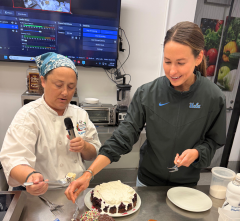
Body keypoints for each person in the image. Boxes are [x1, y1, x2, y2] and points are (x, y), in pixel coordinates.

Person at [65, 21, 226, 203]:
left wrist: (197, 153)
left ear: (198, 58)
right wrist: (89, 173)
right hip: (148, 183)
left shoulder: (213, 97)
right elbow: (122, 138)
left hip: (186, 186)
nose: (172, 70)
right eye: (167, 61)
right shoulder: (148, 93)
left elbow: (214, 140)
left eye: (180, 63)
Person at [0, 52, 101, 196]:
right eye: (58, 85)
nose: (65, 93)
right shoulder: (29, 115)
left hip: (75, 189)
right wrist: (30, 176)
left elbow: (93, 153)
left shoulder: (80, 114)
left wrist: (84, 147)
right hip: (41, 194)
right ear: (43, 81)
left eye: (71, 87)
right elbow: (13, 158)